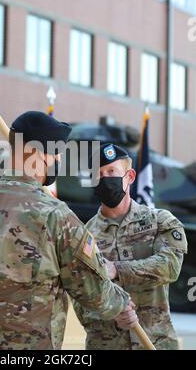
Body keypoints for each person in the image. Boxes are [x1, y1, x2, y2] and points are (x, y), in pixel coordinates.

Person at [0, 113, 137, 350]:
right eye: (56, 152)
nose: (59, 158)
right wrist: (120, 304)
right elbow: (92, 289)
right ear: (40, 153)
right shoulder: (55, 215)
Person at [73, 143, 188, 350]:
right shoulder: (83, 236)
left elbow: (170, 267)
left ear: (130, 176)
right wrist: (111, 311)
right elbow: (80, 298)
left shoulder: (160, 221)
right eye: (99, 174)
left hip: (155, 342)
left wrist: (117, 269)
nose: (105, 179)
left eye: (112, 172)